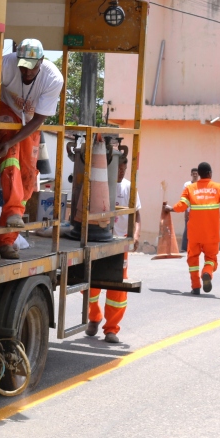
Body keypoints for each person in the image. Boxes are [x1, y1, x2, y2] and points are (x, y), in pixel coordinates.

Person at [0, 38, 64, 260]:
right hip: (6, 113)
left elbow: (39, 120)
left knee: (26, 179)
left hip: (30, 123)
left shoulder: (53, 79)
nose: (25, 73)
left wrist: (14, 139)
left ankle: (6, 241)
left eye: (31, 68)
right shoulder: (6, 63)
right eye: (22, 67)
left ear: (41, 61)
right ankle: (14, 212)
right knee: (10, 157)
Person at [164, 162, 220, 295]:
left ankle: (196, 286)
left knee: (193, 260)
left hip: (194, 234)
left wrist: (170, 209)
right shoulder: (218, 188)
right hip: (211, 235)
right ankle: (207, 272)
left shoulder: (190, 188)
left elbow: (181, 206)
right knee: (211, 259)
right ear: (209, 174)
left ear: (200, 174)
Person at [85, 146, 140, 344]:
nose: (121, 172)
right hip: (97, 241)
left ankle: (111, 329)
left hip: (119, 244)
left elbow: (137, 214)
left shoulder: (128, 188)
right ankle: (94, 317)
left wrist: (135, 235)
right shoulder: (98, 184)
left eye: (124, 169)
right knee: (90, 286)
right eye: (118, 168)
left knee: (117, 288)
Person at [180, 167, 199, 252]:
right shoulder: (187, 185)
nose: (195, 175)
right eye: (193, 174)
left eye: (196, 174)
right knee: (187, 229)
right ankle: (184, 248)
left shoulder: (200, 184)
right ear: (191, 175)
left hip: (198, 211)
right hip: (189, 211)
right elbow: (185, 199)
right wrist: (185, 211)